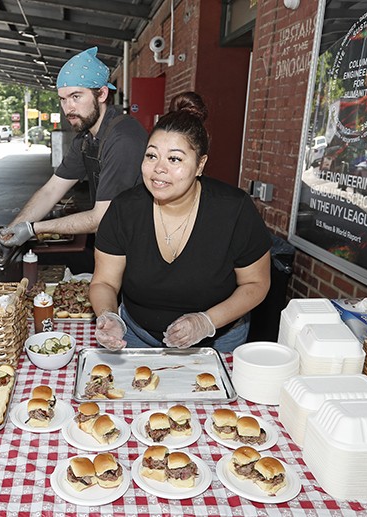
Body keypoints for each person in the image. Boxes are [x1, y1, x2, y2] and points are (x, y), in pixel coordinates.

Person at [89, 92, 271, 352]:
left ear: (200, 165)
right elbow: (104, 282)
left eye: (174, 159)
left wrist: (207, 322)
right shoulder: (124, 209)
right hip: (137, 335)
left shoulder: (234, 209)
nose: (159, 168)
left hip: (218, 340)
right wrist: (109, 315)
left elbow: (256, 284)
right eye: (151, 156)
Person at [0, 47, 148, 272]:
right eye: (63, 99)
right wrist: (10, 231)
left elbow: (100, 218)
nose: (68, 108)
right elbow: (50, 191)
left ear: (101, 94)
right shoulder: (86, 138)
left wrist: (32, 229)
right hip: (116, 245)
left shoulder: (123, 138)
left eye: (76, 96)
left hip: (142, 253)